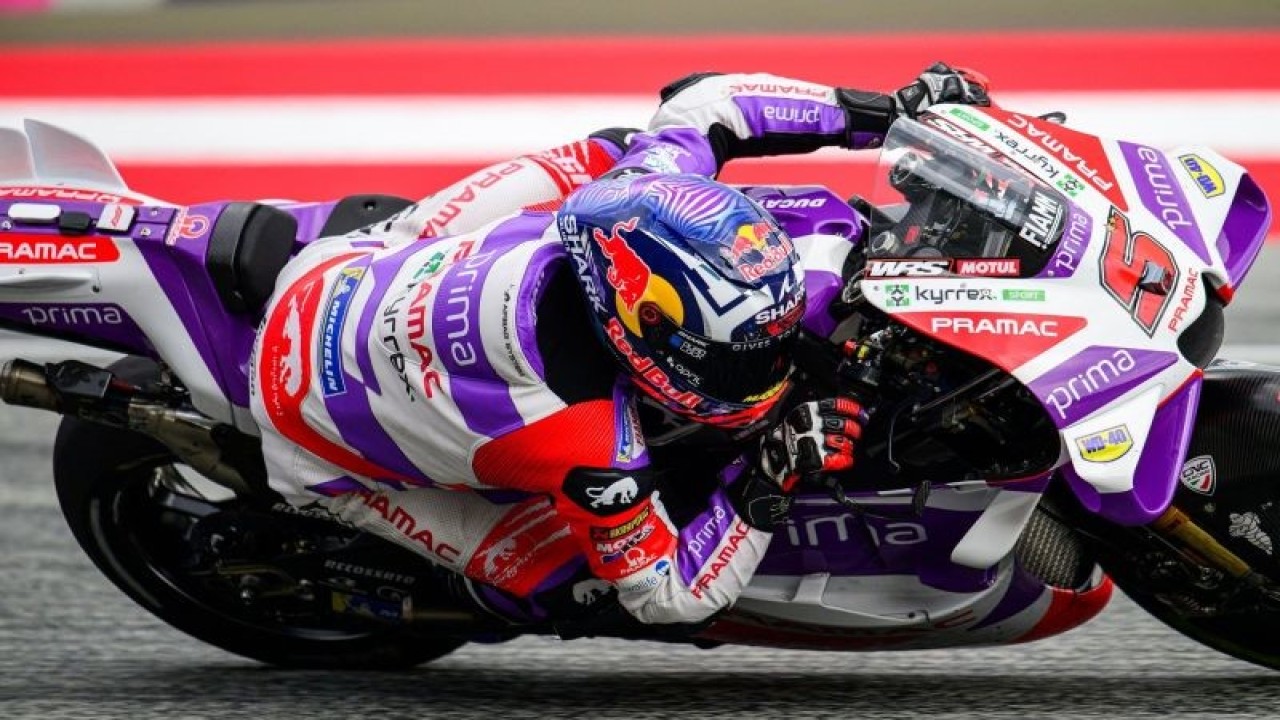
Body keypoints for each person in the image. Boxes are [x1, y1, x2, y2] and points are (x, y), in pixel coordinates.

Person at [249, 63, 991, 626]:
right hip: (306, 434)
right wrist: (769, 475)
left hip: (338, 273)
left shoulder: (635, 200)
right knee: (567, 584)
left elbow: (708, 102)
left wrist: (887, 113)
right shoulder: (591, 444)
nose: (772, 365)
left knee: (612, 153)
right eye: (741, 357)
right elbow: (668, 596)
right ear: (643, 334)